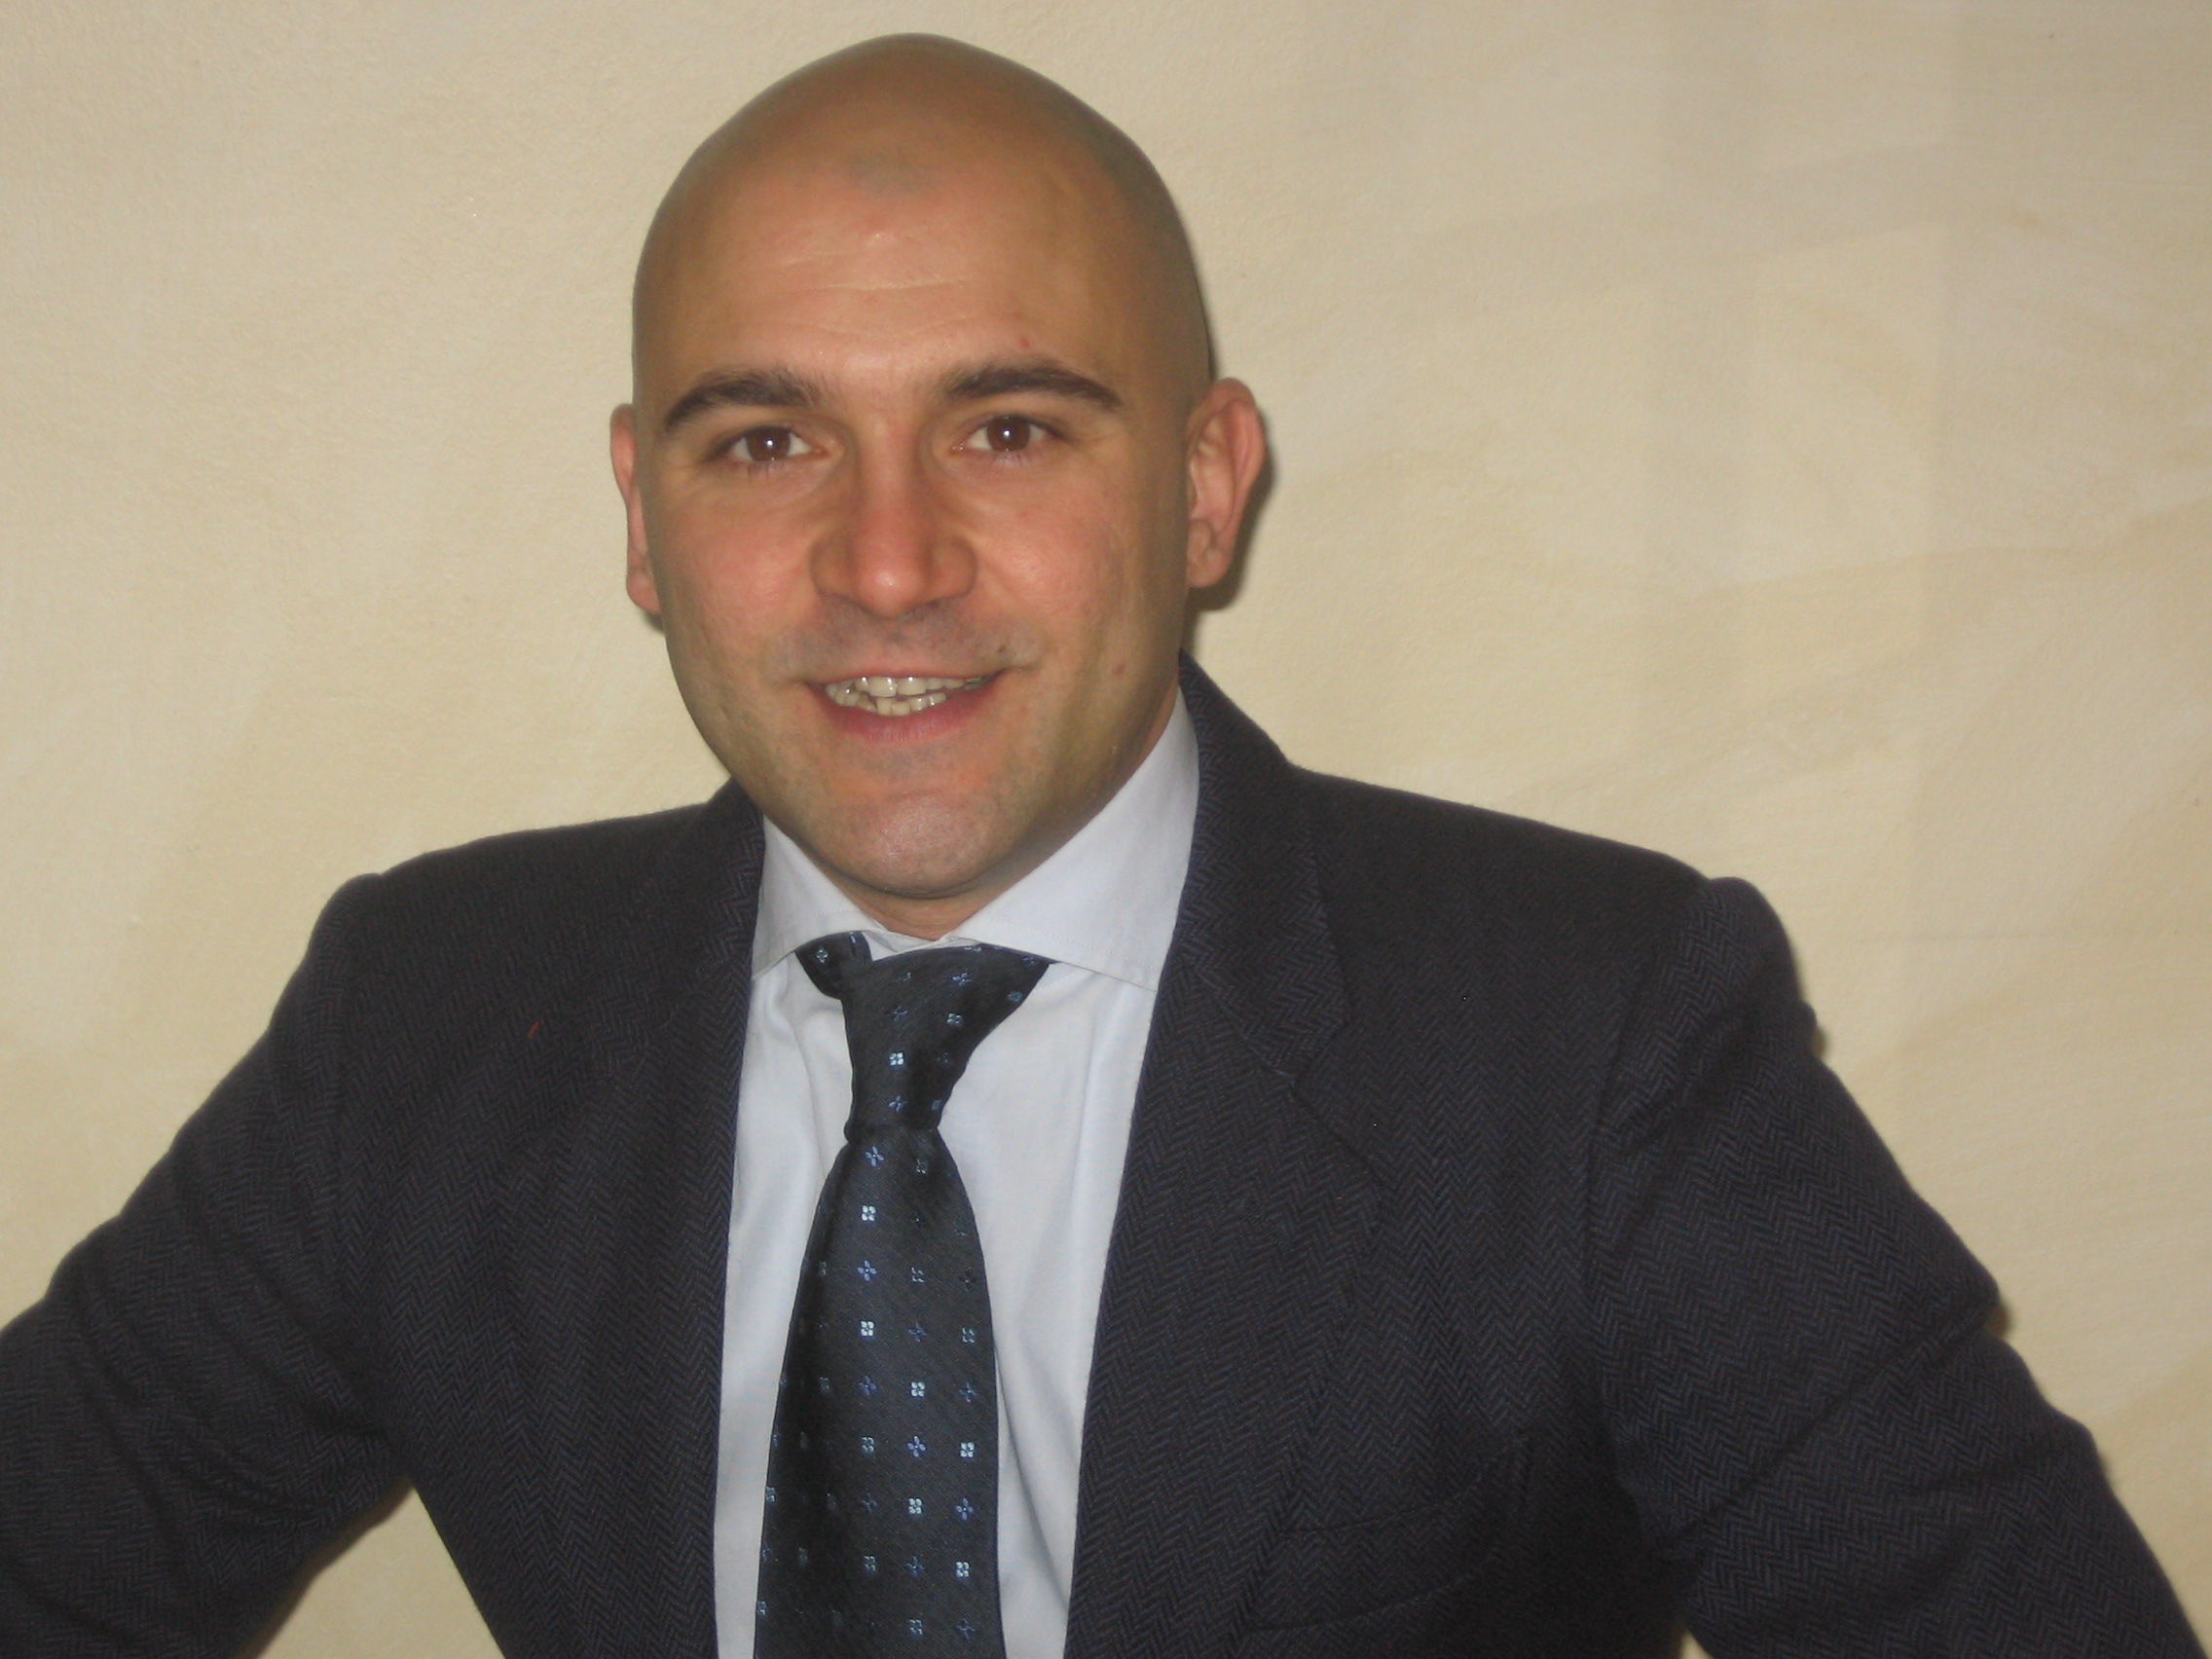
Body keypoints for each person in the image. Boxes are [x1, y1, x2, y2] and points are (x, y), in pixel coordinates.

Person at [0, 32, 2199, 1659]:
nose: (886, 563)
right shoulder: (425, 1021)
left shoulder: (1599, 1040)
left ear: (1207, 484)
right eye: (764, 440)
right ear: (643, 518)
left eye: (1008, 425)